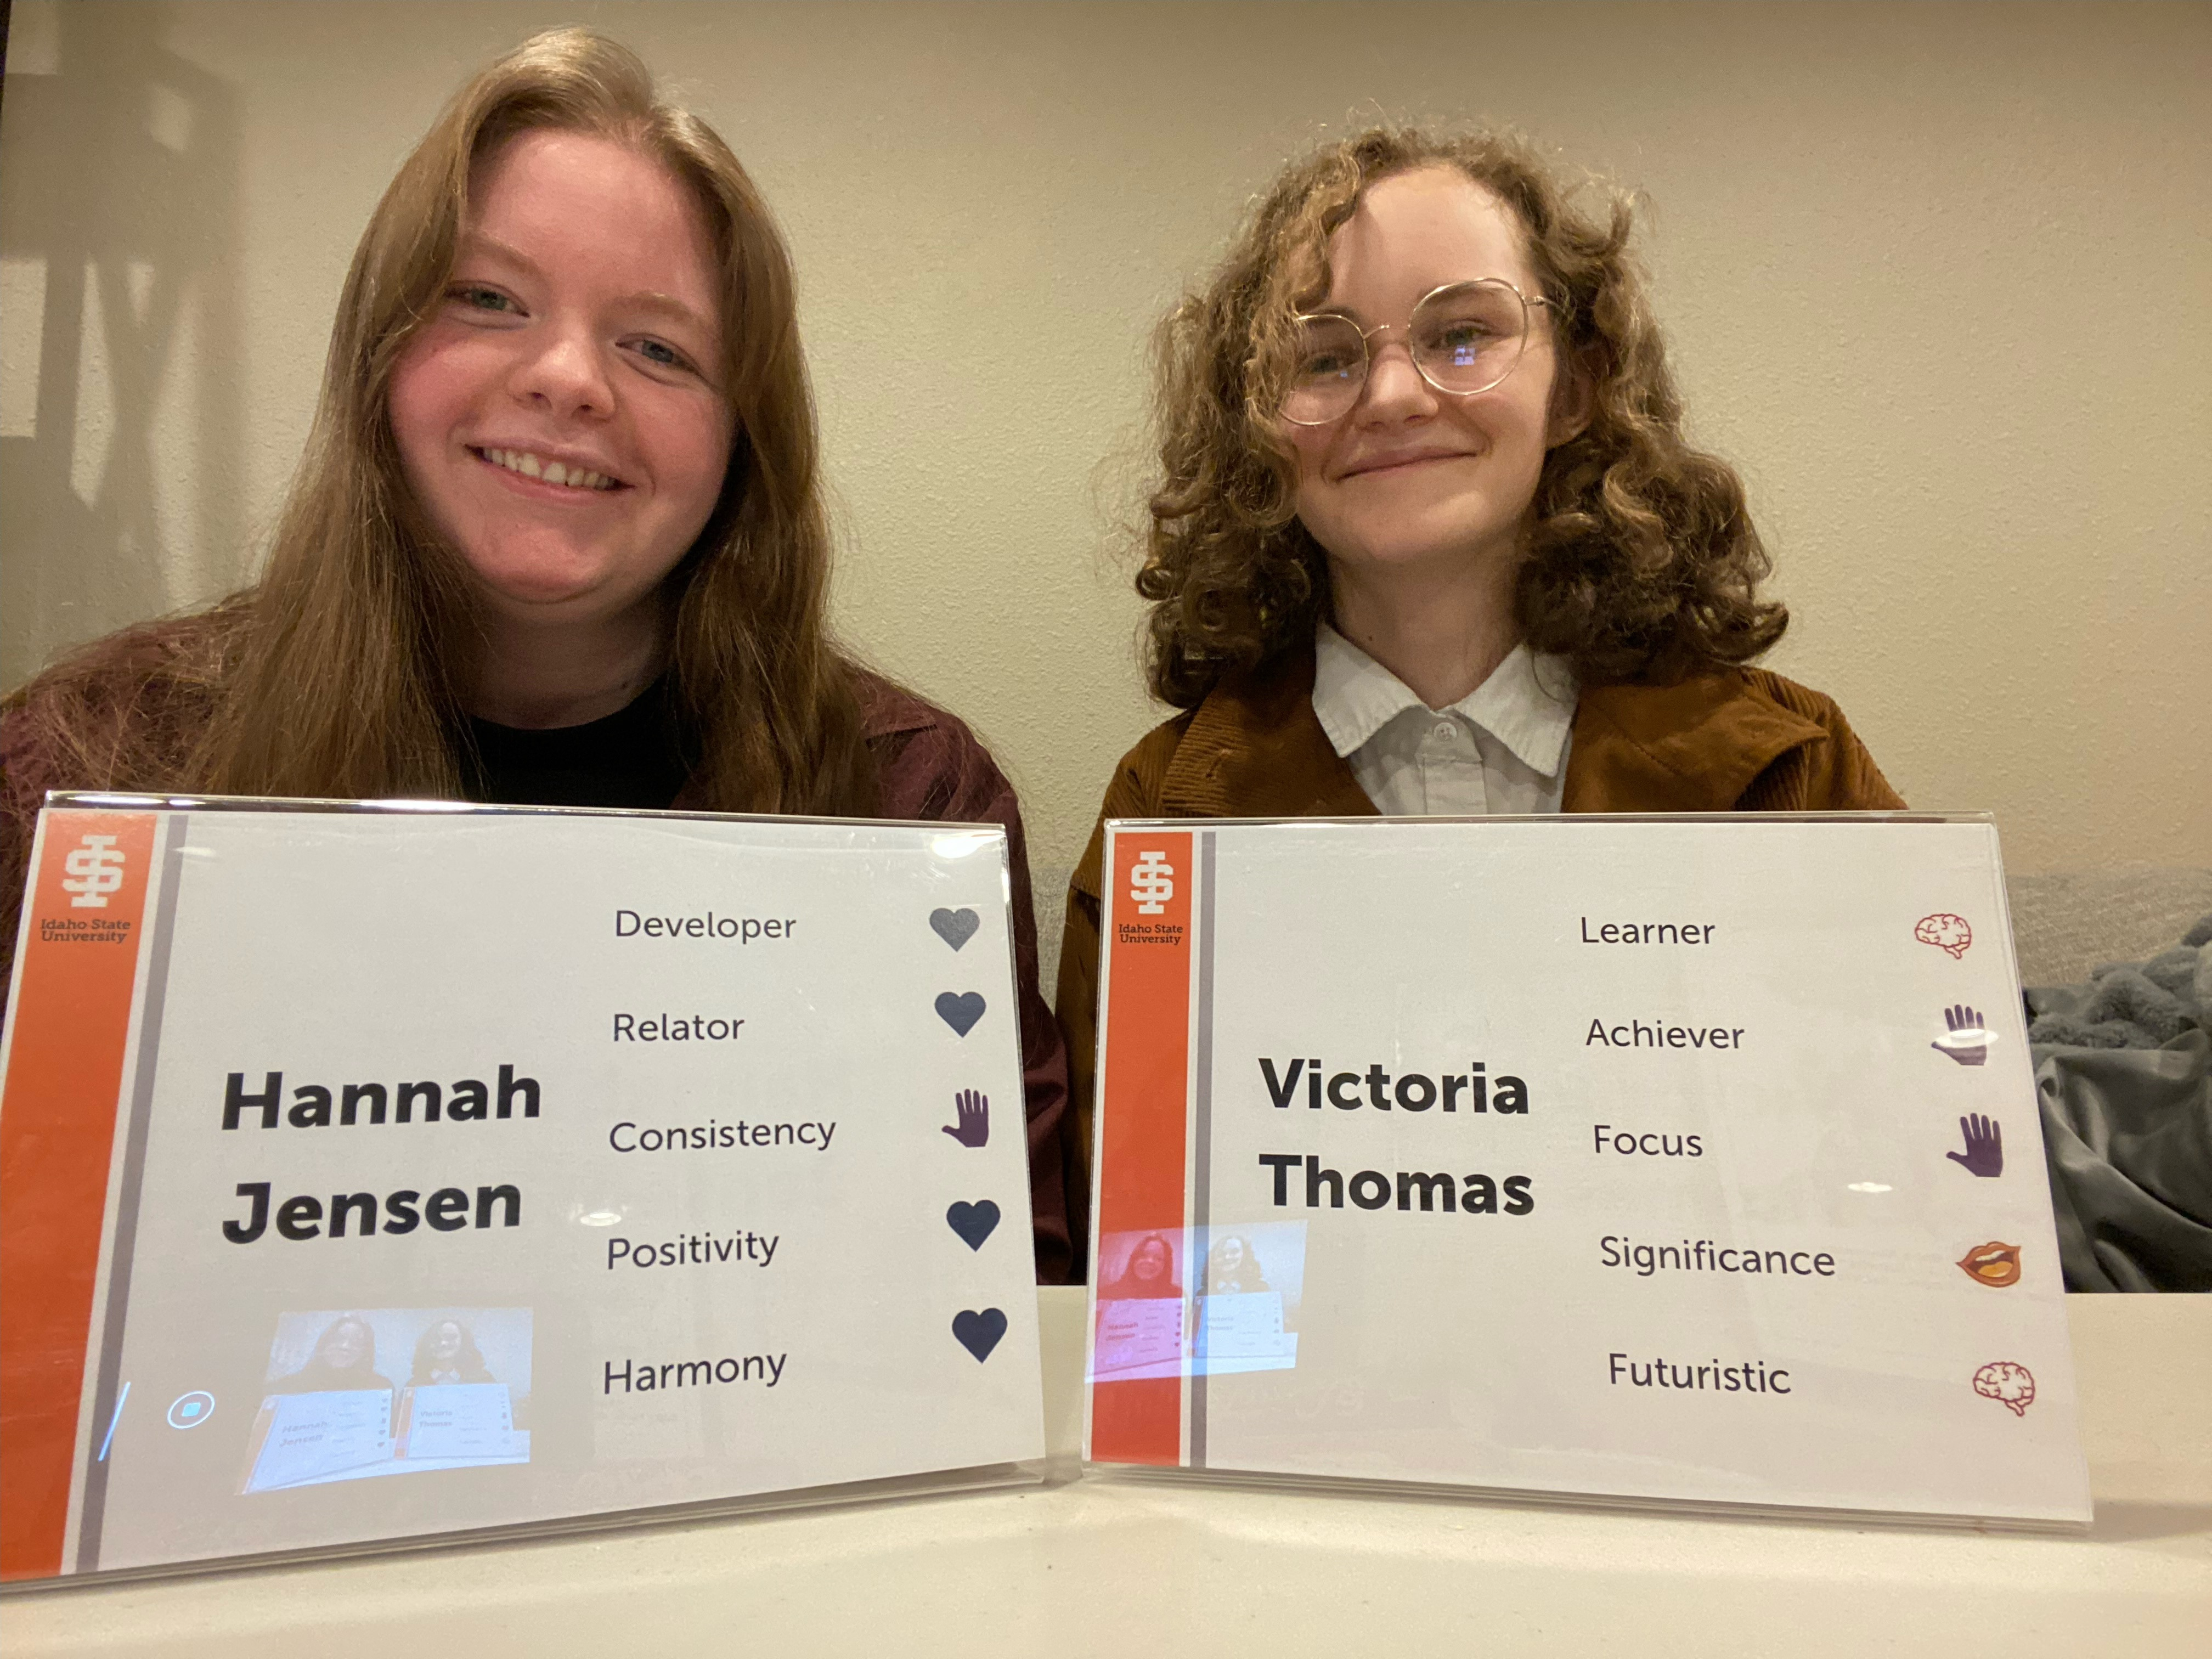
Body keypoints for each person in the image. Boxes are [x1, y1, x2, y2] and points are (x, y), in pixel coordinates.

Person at [0, 30, 1073, 1280]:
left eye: (659, 348)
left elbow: (1004, 1293)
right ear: (378, 355)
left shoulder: (908, 800)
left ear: (744, 443)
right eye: (489, 300)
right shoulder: (86, 772)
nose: (569, 380)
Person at [1057, 127, 1904, 1196]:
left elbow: (1897, 1189)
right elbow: (1150, 1242)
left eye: (1461, 334)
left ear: (1576, 387)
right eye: (1323, 357)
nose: (1392, 395)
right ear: (1260, 427)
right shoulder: (1161, 815)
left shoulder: (1793, 771)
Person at [269, 1316, 396, 1396]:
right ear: (324, 1344)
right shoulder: (286, 1387)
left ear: (365, 1352)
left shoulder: (380, 1388)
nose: (345, 1347)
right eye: (339, 1339)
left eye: (356, 1342)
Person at [409, 1319, 496, 1387]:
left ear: (464, 1342)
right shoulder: (414, 1386)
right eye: (436, 1339)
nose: (443, 1343)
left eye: (450, 1337)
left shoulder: (483, 1380)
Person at [1099, 1232, 1183, 1299]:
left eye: (1158, 1259)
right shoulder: (1107, 1294)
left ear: (1166, 1266)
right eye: (1144, 1255)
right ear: (1133, 1260)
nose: (1150, 1261)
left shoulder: (1177, 1295)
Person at [1203, 1234, 1271, 1296]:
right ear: (1214, 1259)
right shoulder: (1204, 1293)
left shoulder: (1260, 1288)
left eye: (1234, 1252)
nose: (1227, 1257)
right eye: (1221, 1253)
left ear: (1245, 1256)